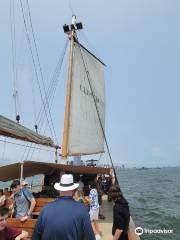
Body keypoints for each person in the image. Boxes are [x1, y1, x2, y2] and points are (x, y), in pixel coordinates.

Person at [32, 174, 95, 240]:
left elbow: (35, 236)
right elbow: (90, 237)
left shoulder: (45, 209)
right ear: (74, 190)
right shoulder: (82, 210)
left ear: (59, 190)